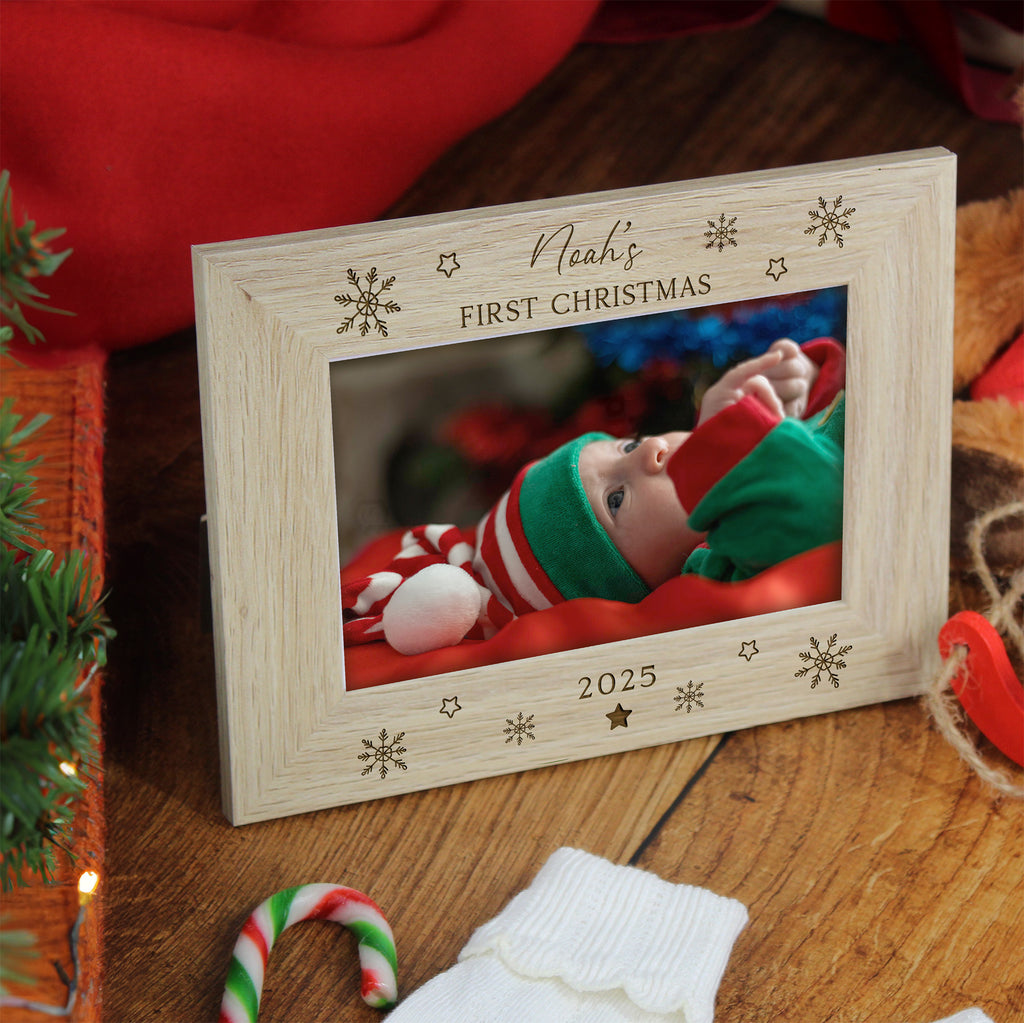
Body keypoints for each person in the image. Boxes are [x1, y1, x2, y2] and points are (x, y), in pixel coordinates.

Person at [342, 337, 845, 655]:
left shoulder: (714, 486)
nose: (648, 448)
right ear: (631, 588)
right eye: (618, 500)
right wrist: (733, 442)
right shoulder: (713, 576)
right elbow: (818, 509)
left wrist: (791, 398)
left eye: (623, 446)